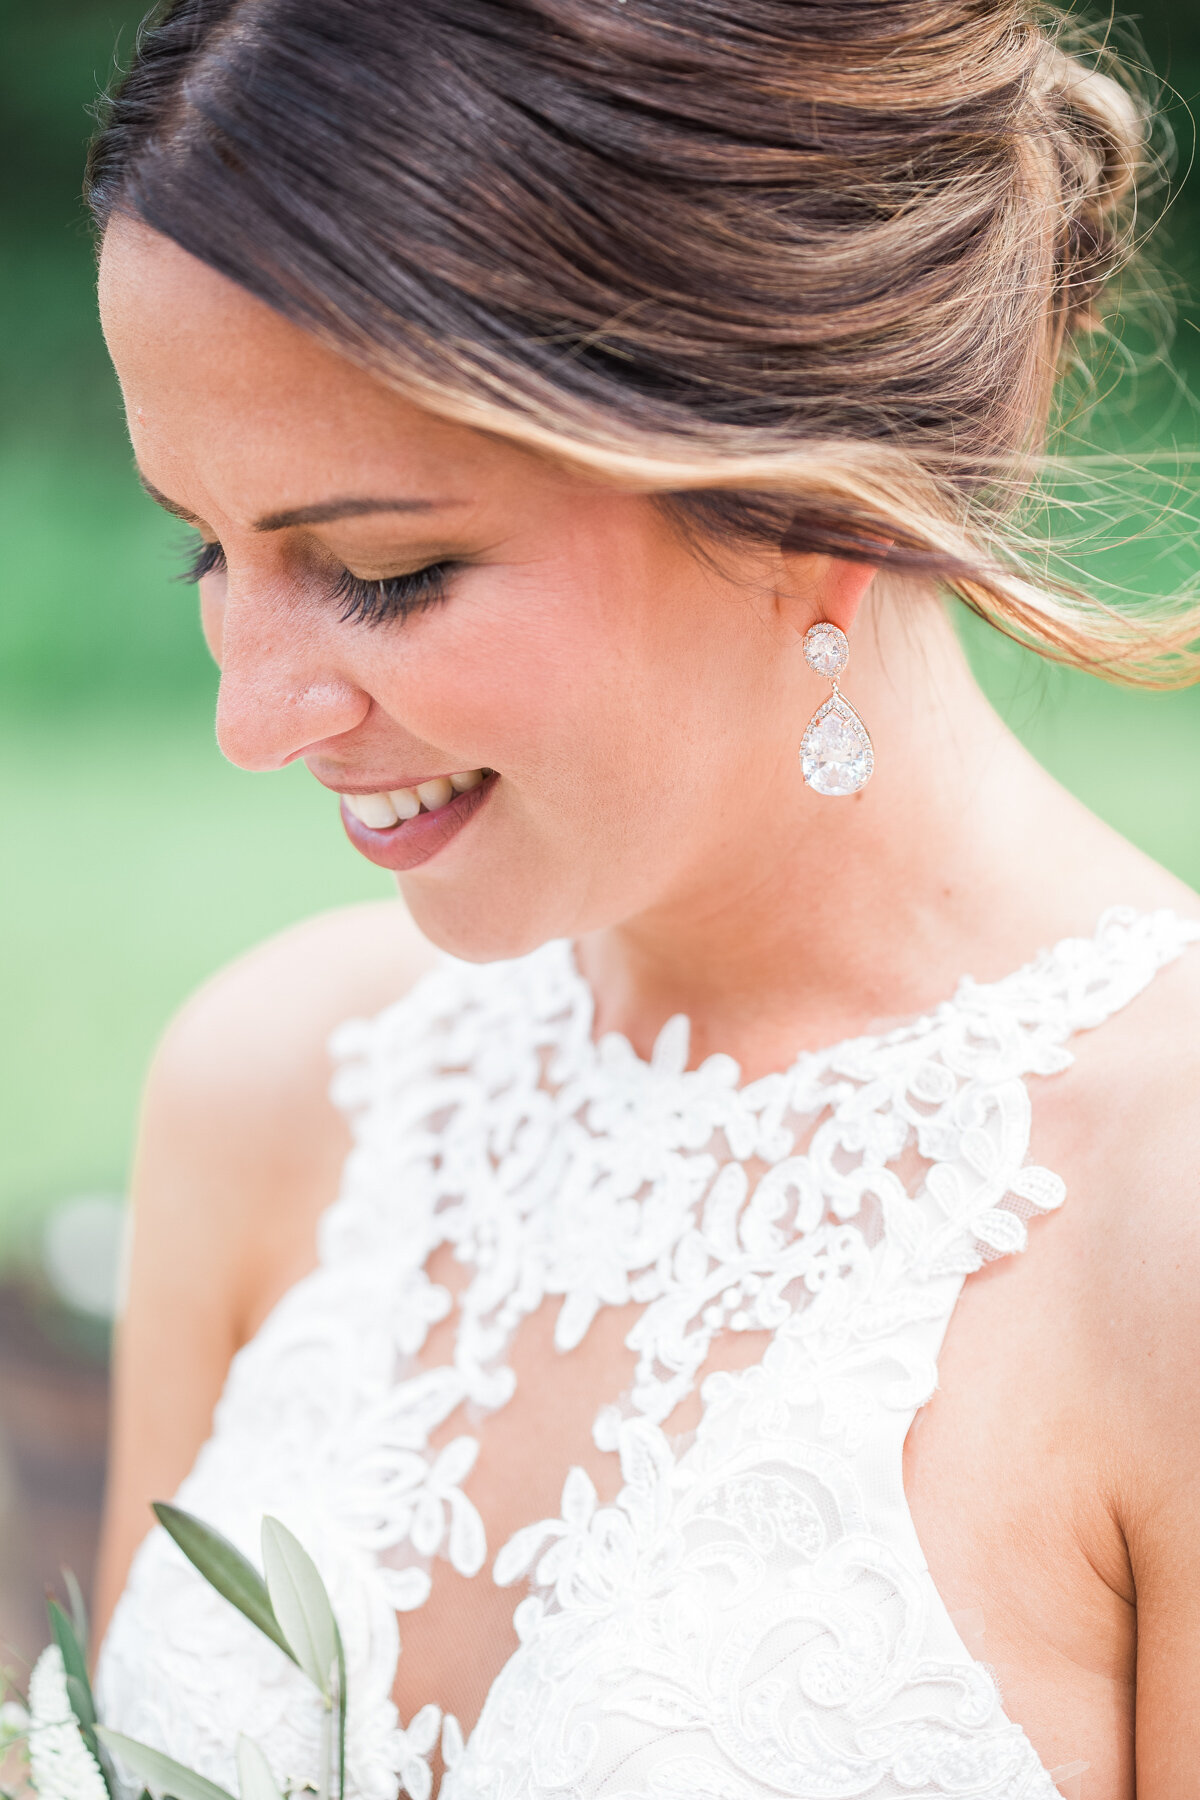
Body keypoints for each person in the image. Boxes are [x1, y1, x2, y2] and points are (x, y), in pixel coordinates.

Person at [86, 2, 1200, 1795]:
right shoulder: (274, 1089)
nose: (251, 717)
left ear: (810, 497)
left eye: (386, 571)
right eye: (209, 545)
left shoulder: (1169, 1226)